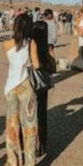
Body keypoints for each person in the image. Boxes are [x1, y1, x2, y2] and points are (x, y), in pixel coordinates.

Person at [4, 12, 40, 166]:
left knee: (12, 123)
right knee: (30, 126)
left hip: (10, 86)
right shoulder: (31, 43)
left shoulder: (7, 44)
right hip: (26, 85)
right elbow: (37, 65)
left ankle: (13, 158)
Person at [30, 20, 53, 158]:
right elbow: (52, 67)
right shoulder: (47, 47)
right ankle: (42, 144)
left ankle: (33, 143)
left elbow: (35, 65)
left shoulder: (31, 45)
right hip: (43, 83)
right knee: (42, 114)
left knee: (31, 114)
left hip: (32, 83)